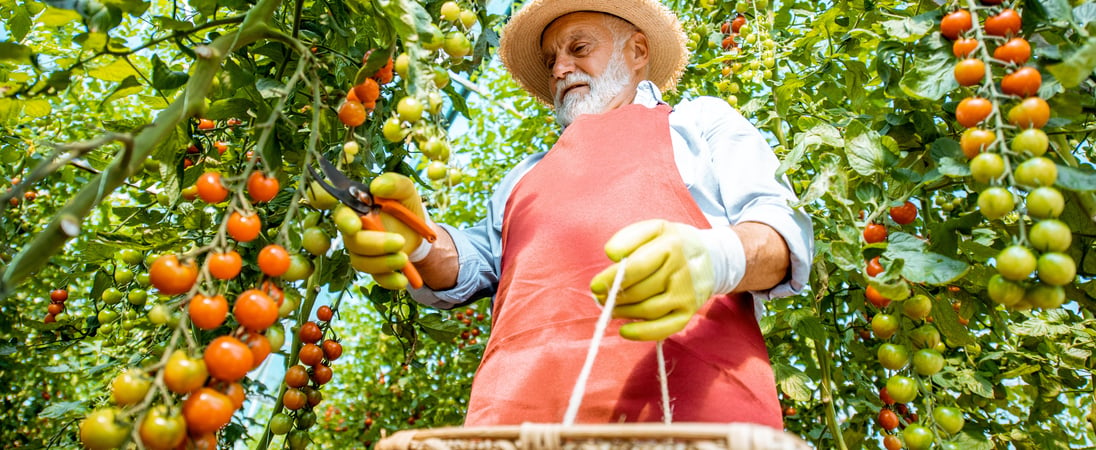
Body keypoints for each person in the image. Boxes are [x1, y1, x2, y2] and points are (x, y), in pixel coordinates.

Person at [344, 0, 813, 427]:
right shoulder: (522, 177)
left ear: (637, 50)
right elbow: (470, 263)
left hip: (686, 412)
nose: (561, 69)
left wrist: (716, 258)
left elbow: (782, 232)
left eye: (578, 48)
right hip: (518, 419)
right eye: (551, 61)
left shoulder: (698, 123)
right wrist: (417, 240)